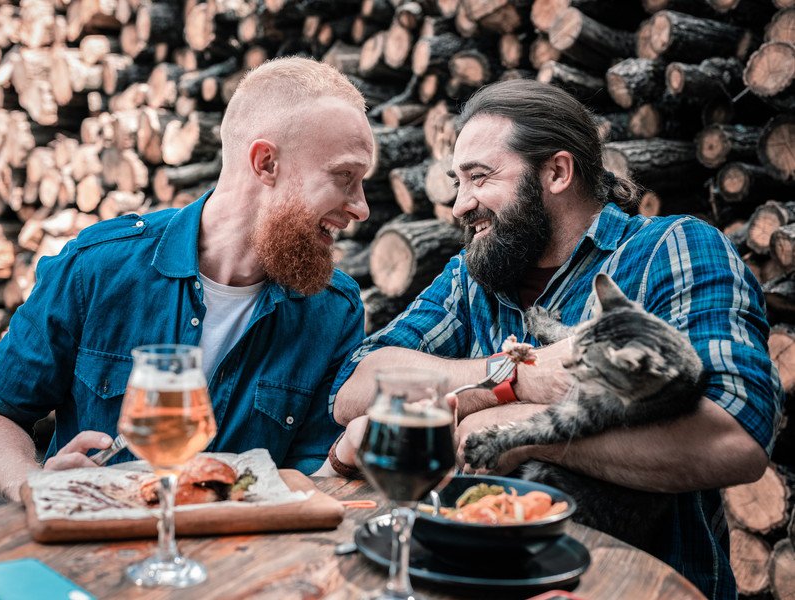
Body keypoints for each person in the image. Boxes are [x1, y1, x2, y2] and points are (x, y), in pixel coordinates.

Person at [329, 79, 782, 600]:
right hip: (470, 576)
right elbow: (356, 387)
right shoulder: (470, 277)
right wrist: (512, 379)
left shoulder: (673, 248)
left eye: (479, 178)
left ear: (558, 172)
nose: (459, 205)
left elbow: (737, 438)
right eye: (457, 182)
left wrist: (520, 429)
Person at [0, 57, 375, 502]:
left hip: (244, 560)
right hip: (92, 553)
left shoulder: (335, 308)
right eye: (344, 178)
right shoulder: (99, 267)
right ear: (266, 162)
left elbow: (307, 479)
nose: (362, 207)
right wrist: (32, 484)